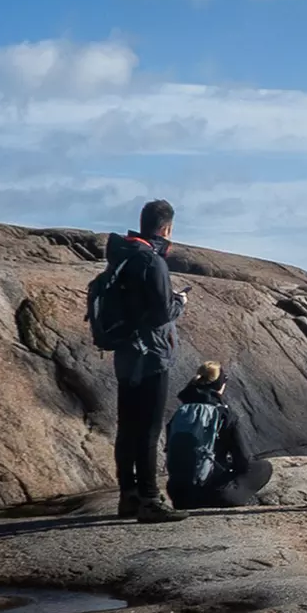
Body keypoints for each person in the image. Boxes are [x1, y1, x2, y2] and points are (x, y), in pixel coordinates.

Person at [103, 199, 188, 524]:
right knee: (149, 430)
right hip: (151, 355)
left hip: (126, 353)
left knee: (128, 427)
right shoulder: (153, 262)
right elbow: (162, 312)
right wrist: (180, 302)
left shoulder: (123, 255)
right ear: (166, 228)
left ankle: (129, 495)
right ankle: (150, 499)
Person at [166, 362, 274, 509]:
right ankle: (243, 498)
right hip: (216, 494)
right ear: (219, 385)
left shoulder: (181, 414)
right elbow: (243, 461)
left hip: (179, 495)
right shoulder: (223, 414)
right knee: (263, 467)